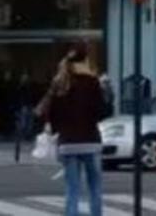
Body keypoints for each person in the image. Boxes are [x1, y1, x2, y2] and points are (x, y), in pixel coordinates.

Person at [47, 41, 110, 216]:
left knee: (72, 190)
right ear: (86, 59)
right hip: (90, 140)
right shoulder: (92, 82)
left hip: (68, 141)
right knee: (95, 188)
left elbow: (52, 114)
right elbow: (102, 112)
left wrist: (56, 131)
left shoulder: (60, 82)